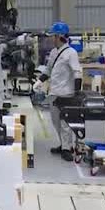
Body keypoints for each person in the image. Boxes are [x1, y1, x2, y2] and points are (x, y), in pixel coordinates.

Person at [37, 21, 82, 162]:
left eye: (53, 36)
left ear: (59, 36)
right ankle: (63, 144)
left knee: (65, 123)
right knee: (55, 121)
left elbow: (77, 73)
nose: (51, 39)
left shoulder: (71, 53)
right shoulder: (54, 52)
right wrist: (39, 81)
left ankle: (67, 149)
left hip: (66, 94)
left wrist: (77, 92)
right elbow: (48, 70)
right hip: (54, 93)